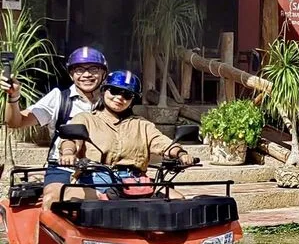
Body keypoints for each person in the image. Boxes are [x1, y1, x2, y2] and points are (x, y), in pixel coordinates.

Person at [2, 46, 108, 209]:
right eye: (79, 70)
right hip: (63, 167)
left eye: (93, 69)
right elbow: (16, 122)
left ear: (103, 73)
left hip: (102, 168)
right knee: (51, 199)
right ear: (71, 74)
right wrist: (13, 96)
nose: (86, 75)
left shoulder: (114, 99)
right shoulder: (60, 98)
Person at [57, 71, 195, 196]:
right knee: (73, 199)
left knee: (177, 199)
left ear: (132, 100)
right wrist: (69, 153)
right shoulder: (85, 118)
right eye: (115, 91)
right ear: (104, 91)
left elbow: (161, 142)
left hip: (135, 181)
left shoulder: (141, 124)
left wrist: (181, 154)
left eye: (127, 95)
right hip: (96, 179)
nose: (119, 97)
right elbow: (72, 139)